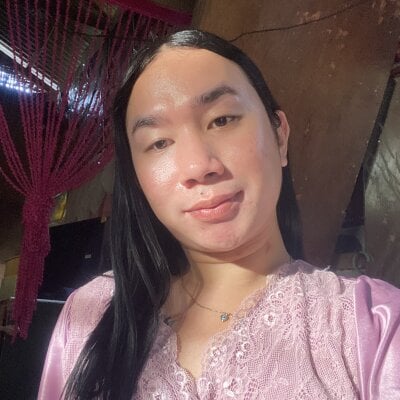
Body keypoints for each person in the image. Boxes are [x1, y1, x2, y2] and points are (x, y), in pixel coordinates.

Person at [38, 29, 400, 399]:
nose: (198, 166)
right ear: (138, 180)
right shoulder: (93, 313)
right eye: (159, 143)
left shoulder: (375, 326)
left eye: (222, 120)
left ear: (279, 136)